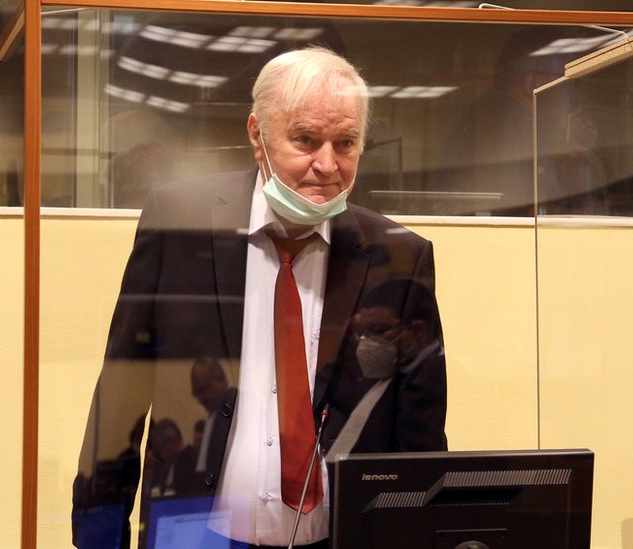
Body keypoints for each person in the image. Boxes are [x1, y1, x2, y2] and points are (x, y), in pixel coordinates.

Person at [72, 46, 448, 548]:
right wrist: (99, 539)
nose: (327, 165)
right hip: (197, 534)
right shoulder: (179, 224)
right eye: (305, 140)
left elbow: (419, 436)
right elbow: (121, 399)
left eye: (346, 143)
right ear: (257, 135)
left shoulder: (400, 256)